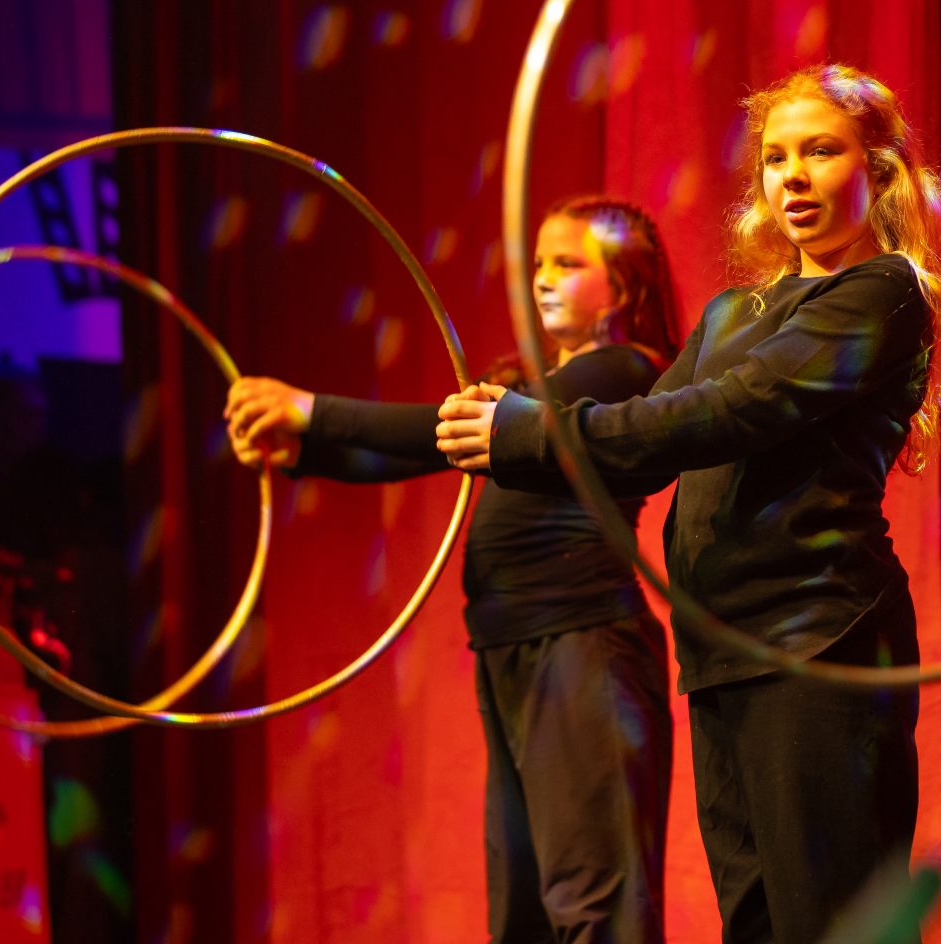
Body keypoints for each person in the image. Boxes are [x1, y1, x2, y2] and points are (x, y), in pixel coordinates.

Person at [435, 64, 941, 944]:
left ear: (876, 171)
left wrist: (529, 432)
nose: (791, 177)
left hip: (815, 643)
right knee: (753, 923)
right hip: (722, 651)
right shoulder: (731, 314)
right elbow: (643, 439)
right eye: (775, 157)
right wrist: (468, 430)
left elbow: (731, 409)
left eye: (820, 153)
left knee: (826, 925)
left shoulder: (881, 292)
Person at [225, 196, 684, 944]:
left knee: (595, 901)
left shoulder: (621, 370)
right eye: (539, 263)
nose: (543, 279)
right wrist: (299, 447)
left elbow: (437, 429)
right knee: (523, 907)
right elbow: (421, 449)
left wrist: (310, 410)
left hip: (581, 645)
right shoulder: (529, 386)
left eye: (568, 264)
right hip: (511, 649)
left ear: (623, 288)